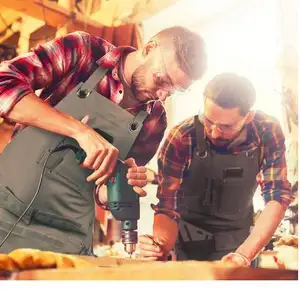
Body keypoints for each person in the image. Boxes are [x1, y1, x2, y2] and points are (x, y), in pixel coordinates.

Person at [0, 26, 207, 254]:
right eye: (161, 79)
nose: (163, 95)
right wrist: (79, 131)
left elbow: (99, 189)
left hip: (66, 237)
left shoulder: (154, 121)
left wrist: (117, 188)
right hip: (4, 207)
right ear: (148, 49)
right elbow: (3, 83)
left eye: (174, 89)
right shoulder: (83, 52)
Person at [138, 72, 295, 266]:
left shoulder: (266, 131)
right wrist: (160, 247)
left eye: (225, 126)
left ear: (248, 117)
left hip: (242, 246)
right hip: (188, 247)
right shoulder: (181, 138)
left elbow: (277, 196)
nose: (213, 132)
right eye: (209, 121)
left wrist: (243, 256)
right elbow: (168, 206)